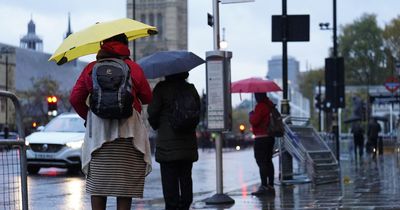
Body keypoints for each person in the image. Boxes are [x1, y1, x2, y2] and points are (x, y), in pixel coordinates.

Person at [69, 33, 153, 210]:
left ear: (103, 44)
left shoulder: (92, 68)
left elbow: (75, 98)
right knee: (124, 188)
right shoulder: (133, 68)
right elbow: (147, 97)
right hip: (129, 134)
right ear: (125, 45)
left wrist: (90, 118)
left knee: (98, 187)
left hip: (99, 135)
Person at [147, 72, 200, 210]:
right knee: (186, 179)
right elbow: (199, 112)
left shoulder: (161, 88)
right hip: (187, 144)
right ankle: (185, 205)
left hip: (167, 146)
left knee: (170, 186)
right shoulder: (190, 88)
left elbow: (152, 112)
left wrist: (158, 126)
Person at [249, 92, 276, 196]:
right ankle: (271, 185)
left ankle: (264, 186)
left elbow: (255, 121)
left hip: (261, 138)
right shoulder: (270, 104)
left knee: (261, 161)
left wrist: (251, 115)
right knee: (268, 161)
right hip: (270, 137)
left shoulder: (261, 106)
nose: (255, 97)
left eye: (256, 95)